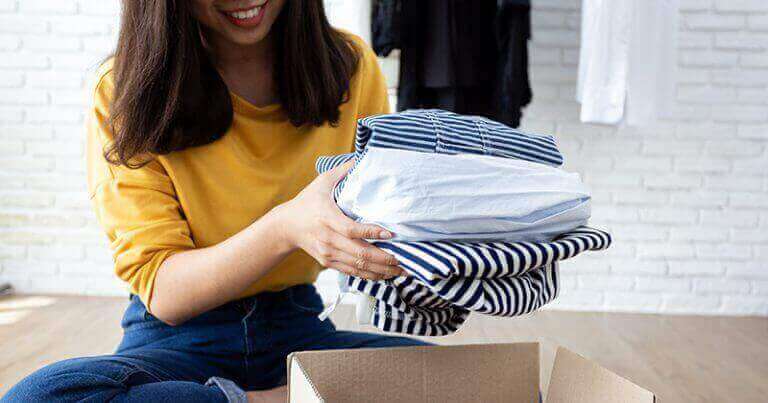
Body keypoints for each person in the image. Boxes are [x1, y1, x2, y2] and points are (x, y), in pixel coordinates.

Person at [3, 1, 429, 401]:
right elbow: (166, 293)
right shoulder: (123, 89)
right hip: (176, 342)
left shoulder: (350, 66)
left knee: (450, 377)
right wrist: (286, 227)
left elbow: (384, 220)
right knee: (42, 396)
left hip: (298, 325)